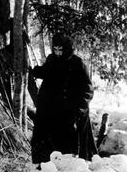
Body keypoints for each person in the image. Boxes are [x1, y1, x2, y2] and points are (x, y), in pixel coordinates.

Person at [30, 33, 97, 164]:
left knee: (69, 141)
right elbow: (46, 71)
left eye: (61, 50)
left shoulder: (77, 63)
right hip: (53, 106)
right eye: (55, 49)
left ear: (67, 48)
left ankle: (74, 165)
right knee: (45, 134)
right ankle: (45, 164)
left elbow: (88, 89)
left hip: (71, 107)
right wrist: (35, 71)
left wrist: (81, 106)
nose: (58, 53)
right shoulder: (52, 59)